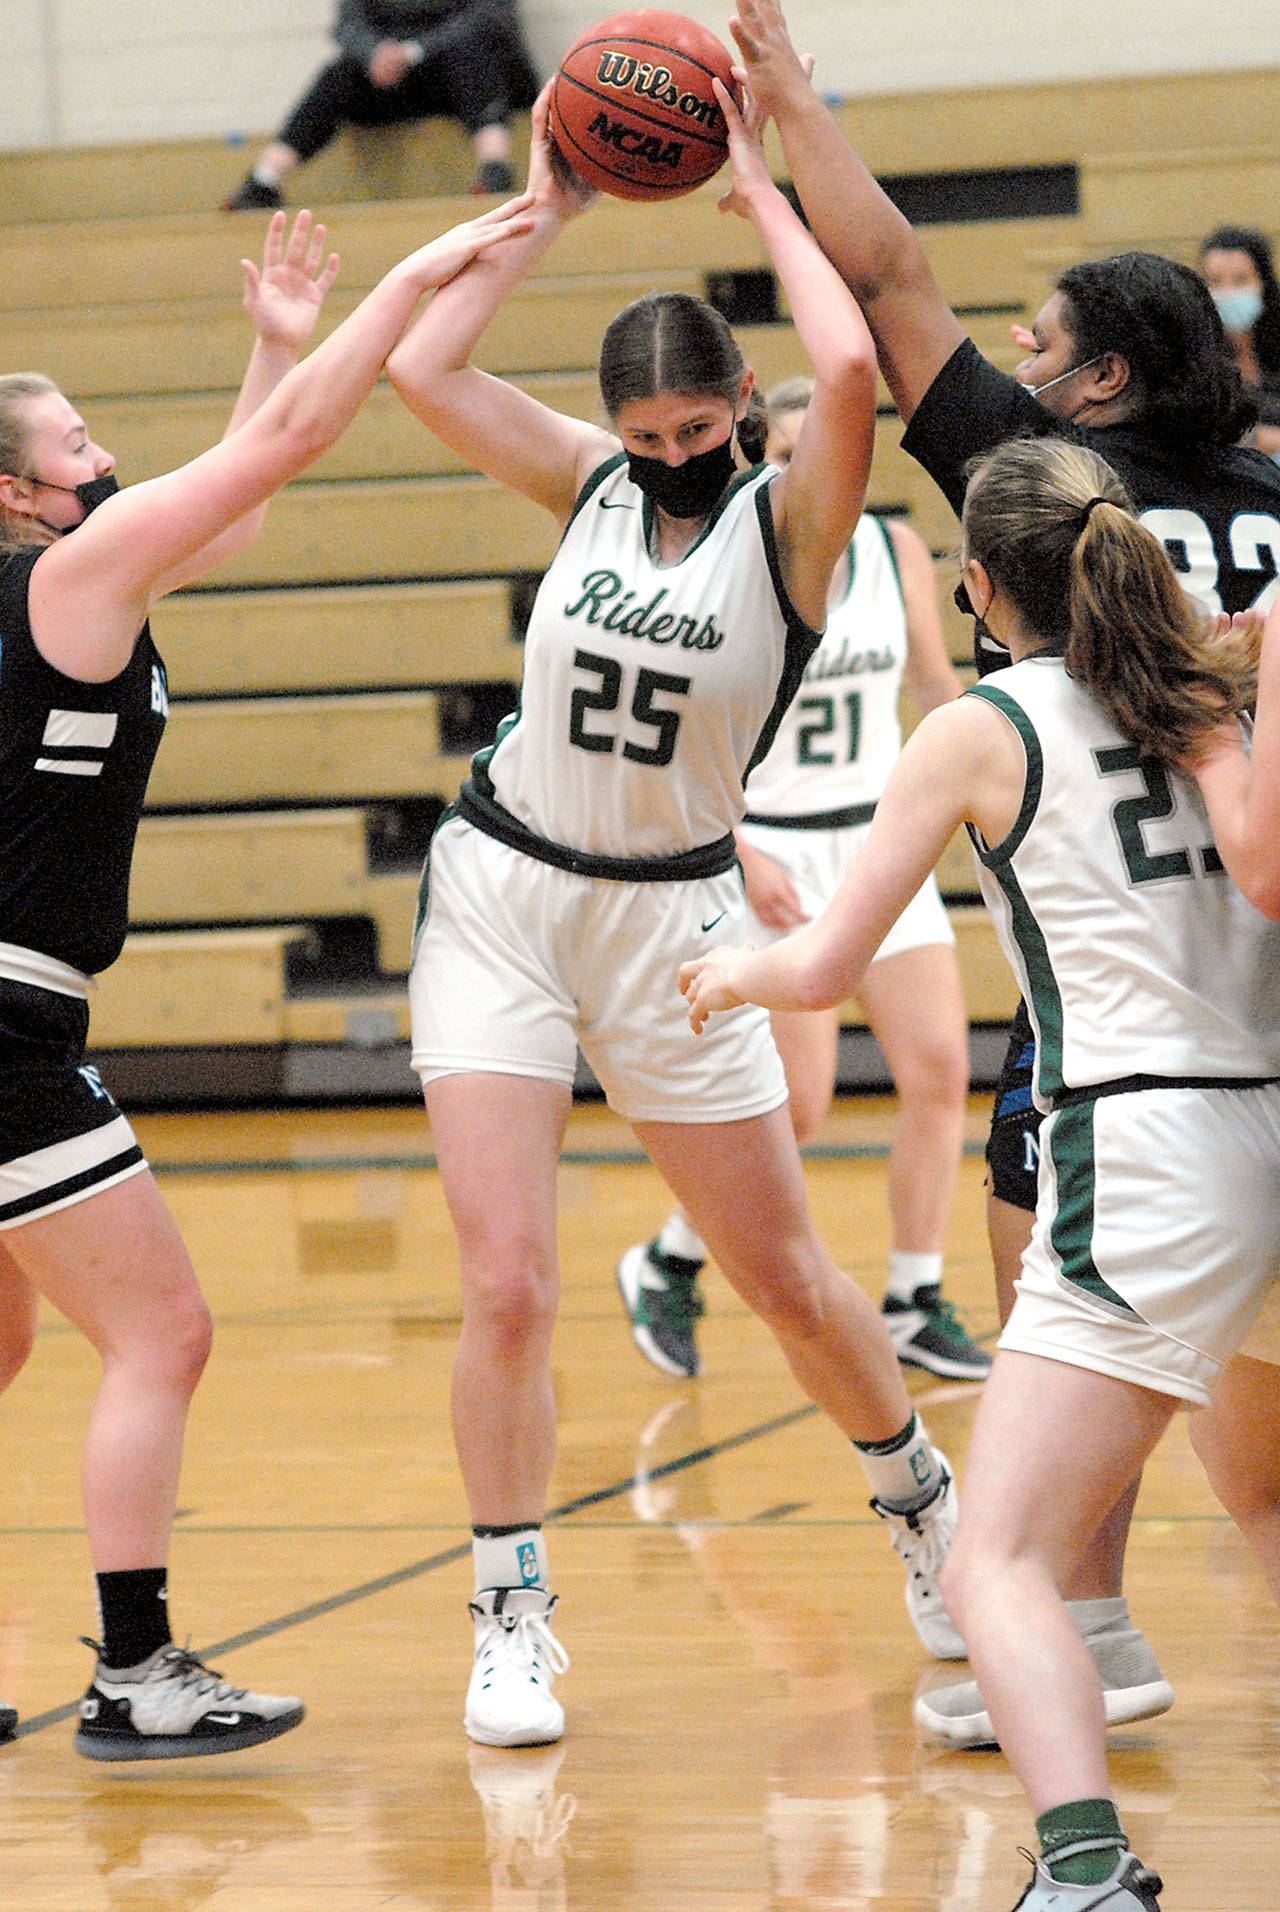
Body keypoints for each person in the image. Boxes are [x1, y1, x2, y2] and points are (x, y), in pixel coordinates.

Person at [383, 80, 964, 1750]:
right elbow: (423, 369)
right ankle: (509, 1609)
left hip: (672, 927)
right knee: (507, 1284)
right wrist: (548, 212)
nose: (669, 465)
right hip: (500, 895)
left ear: (735, 413)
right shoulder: (580, 489)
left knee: (782, 1272)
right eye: (644, 444)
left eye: (692, 436)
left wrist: (764, 196)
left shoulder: (797, 529)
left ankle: (920, 1508)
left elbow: (850, 367)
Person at [728, 0, 1280, 1747]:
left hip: (1127, 1011)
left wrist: (793, 114)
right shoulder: (1271, 503)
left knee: (1070, 1322)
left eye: (1040, 340)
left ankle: (1070, 1623)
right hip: (1263, 992)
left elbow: (884, 278)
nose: (1014, 358)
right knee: (1247, 1427)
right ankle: (1082, 1618)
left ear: (1098, 382)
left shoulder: (1056, 493)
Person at [680, 433, 1280, 1912]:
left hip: (1143, 1153)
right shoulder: (1216, 691)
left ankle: (1082, 1871)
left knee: (993, 1563)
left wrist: (732, 973)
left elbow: (826, 965)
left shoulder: (980, 727)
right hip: (1272, 1129)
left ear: (977, 586)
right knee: (1267, 1511)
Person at [0, 195, 536, 1756]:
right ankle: (139, 1672)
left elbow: (224, 514)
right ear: (18, 491)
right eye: (79, 440)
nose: (103, 459)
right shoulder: (62, 590)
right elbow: (285, 451)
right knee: (161, 1337)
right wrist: (414, 284)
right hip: (10, 1020)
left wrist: (268, 347)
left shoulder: (69, 581)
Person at [616, 373, 987, 1384]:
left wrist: (988, 780)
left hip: (879, 842)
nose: (807, 470)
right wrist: (739, 847)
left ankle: (912, 1292)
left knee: (939, 1071)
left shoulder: (893, 549)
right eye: (782, 454)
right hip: (771, 849)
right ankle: (666, 1259)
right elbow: (677, 739)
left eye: (818, 449)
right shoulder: (733, 564)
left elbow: (931, 682)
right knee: (800, 1106)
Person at [222, 0, 539, 210]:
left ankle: (495, 169)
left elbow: (492, 16)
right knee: (339, 75)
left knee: (472, 58)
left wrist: (415, 51)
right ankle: (264, 182)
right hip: (396, 77)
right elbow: (346, 24)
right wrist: (374, 53)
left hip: (469, 66)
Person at [1199, 224, 1280, 460]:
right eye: (1214, 281)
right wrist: (1257, 439)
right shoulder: (1196, 352)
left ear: (1264, 282)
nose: (1227, 292)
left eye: (1240, 280)